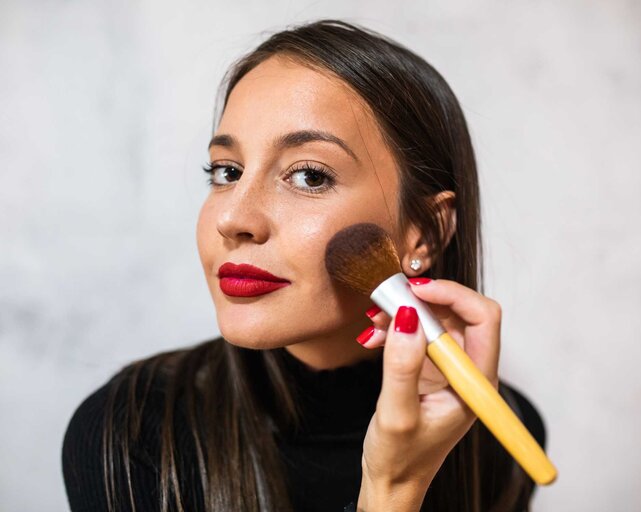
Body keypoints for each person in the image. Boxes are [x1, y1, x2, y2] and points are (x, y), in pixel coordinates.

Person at [61, 19, 547, 512]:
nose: (232, 218)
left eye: (310, 176)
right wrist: (390, 492)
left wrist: (402, 481)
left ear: (422, 230)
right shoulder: (132, 433)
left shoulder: (504, 437)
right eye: (226, 171)